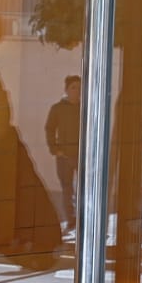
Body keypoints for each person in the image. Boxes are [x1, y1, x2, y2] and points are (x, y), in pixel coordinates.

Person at [44, 74, 82, 235]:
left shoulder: (86, 107)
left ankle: (85, 221)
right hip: (64, 157)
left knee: (85, 189)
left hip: (82, 156)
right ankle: (71, 221)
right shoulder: (57, 108)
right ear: (66, 89)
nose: (77, 91)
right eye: (73, 87)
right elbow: (50, 128)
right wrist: (55, 149)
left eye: (79, 88)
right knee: (67, 190)